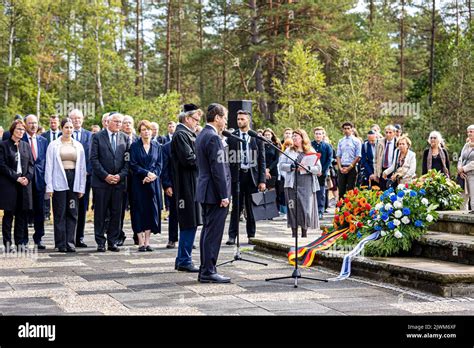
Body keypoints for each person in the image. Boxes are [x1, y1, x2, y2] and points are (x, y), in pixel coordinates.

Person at [195, 103, 231, 283]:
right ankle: (209, 270)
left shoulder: (203, 134)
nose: (225, 122)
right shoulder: (213, 137)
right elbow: (218, 169)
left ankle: (205, 269)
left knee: (208, 231)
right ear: (217, 118)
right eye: (224, 118)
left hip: (205, 190)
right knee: (213, 232)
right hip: (214, 193)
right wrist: (224, 195)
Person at [90, 113, 130, 252]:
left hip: (119, 183)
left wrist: (120, 176)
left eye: (120, 122)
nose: (119, 124)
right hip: (101, 183)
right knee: (100, 213)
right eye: (116, 121)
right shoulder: (97, 137)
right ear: (108, 122)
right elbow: (94, 159)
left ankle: (113, 241)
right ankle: (100, 241)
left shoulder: (125, 138)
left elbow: (127, 161)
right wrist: (106, 176)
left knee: (116, 213)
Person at [45, 118, 86, 252]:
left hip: (73, 179)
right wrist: (49, 186)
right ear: (61, 129)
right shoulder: (54, 145)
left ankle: (70, 242)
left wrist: (81, 187)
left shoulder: (78, 146)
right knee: (60, 212)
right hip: (59, 180)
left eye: (71, 128)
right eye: (66, 127)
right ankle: (60, 243)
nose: (69, 130)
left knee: (72, 211)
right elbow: (49, 166)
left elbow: (82, 168)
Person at [170, 105, 203, 272]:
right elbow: (188, 158)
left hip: (191, 183)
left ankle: (182, 258)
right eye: (196, 120)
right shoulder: (181, 134)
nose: (198, 123)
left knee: (191, 222)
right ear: (187, 119)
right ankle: (184, 259)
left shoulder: (187, 134)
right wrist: (203, 156)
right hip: (185, 185)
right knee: (188, 222)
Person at [226, 110, 266, 245]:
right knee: (236, 207)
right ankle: (232, 235)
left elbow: (262, 160)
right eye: (238, 119)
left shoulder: (256, 137)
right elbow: (227, 158)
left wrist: (262, 180)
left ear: (248, 120)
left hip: (252, 176)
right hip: (237, 176)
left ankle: (251, 235)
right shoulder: (232, 136)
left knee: (251, 208)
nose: (239, 121)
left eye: (242, 119)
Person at [279, 129, 321, 238]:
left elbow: (318, 168)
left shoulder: (310, 150)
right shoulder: (288, 151)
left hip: (306, 183)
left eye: (296, 136)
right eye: (292, 136)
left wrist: (307, 168)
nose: (293, 138)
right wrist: (291, 167)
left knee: (305, 209)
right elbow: (281, 165)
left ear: (302, 138)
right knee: (293, 208)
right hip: (292, 183)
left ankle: (304, 233)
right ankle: (294, 234)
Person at [0, 120, 34, 251]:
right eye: (19, 129)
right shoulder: (3, 145)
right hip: (10, 185)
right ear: (13, 130)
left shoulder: (25, 145)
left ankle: (20, 243)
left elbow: (31, 164)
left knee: (22, 215)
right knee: (9, 215)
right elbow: (2, 166)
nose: (21, 132)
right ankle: (8, 244)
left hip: (24, 185)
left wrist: (27, 177)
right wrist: (16, 177)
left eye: (23, 130)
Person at [129, 120, 162, 252]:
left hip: (153, 183)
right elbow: (133, 164)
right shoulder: (134, 146)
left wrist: (153, 175)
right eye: (143, 130)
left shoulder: (157, 146)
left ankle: (147, 241)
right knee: (138, 210)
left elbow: (160, 164)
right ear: (140, 132)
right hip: (138, 183)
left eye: (148, 129)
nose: (146, 132)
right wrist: (146, 173)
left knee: (150, 210)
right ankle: (140, 242)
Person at [23, 114, 48, 249]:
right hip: (26, 180)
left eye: (35, 123)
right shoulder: (21, 139)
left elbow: (45, 162)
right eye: (30, 123)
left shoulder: (43, 141)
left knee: (40, 210)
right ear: (25, 124)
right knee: (25, 210)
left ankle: (39, 238)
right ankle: (24, 240)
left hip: (39, 180)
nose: (33, 125)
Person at [69, 109, 93, 248]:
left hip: (85, 177)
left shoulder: (90, 136)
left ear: (82, 120)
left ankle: (80, 237)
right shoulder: (64, 135)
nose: (77, 120)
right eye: (74, 118)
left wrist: (87, 172)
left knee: (82, 208)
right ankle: (69, 237)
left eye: (79, 118)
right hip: (69, 176)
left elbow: (92, 156)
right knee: (70, 206)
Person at [118, 115, 138, 246]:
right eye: (125, 123)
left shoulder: (138, 139)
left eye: (130, 123)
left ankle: (138, 234)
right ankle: (118, 235)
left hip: (136, 179)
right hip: (122, 178)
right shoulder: (117, 139)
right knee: (119, 209)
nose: (127, 125)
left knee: (136, 208)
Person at [42, 114, 61, 221]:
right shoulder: (44, 136)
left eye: (55, 122)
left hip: (59, 167)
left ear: (58, 123)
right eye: (51, 122)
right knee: (47, 190)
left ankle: (57, 212)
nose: (53, 124)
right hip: (48, 165)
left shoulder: (63, 135)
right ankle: (46, 212)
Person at [311, 127, 333, 219]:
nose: (318, 135)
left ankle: (320, 210)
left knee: (321, 192)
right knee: (312, 192)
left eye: (320, 134)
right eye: (316, 133)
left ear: (323, 135)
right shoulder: (310, 145)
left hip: (322, 173)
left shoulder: (327, 146)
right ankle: (312, 211)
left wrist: (322, 170)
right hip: (311, 172)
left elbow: (329, 159)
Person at [336, 122, 361, 198]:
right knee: (341, 189)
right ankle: (340, 208)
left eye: (348, 128)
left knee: (351, 189)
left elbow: (358, 156)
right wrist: (340, 168)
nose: (346, 130)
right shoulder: (341, 141)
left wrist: (349, 167)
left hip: (352, 167)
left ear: (352, 129)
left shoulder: (356, 141)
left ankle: (350, 209)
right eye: (345, 129)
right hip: (342, 167)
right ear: (343, 130)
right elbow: (338, 155)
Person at [373, 124, 398, 191]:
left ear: (394, 133)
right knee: (382, 192)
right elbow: (375, 159)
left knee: (393, 192)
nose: (388, 134)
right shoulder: (380, 142)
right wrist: (376, 173)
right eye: (386, 132)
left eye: (390, 132)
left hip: (393, 171)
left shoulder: (398, 143)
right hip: (382, 170)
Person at [458, 125, 474, 212]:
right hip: (463, 176)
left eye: (471, 131)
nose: (469, 133)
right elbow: (461, 158)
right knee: (462, 200)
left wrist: (464, 168)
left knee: (473, 198)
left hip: (472, 174)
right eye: (468, 132)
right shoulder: (466, 145)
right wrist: (459, 169)